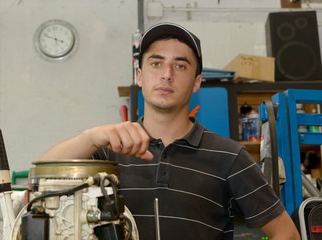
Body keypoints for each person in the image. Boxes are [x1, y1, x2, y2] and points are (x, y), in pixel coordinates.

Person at [40, 22, 300, 239]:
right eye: (156, 63)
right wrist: (91, 137)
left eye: (180, 65)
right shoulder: (108, 149)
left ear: (197, 82)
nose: (167, 74)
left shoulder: (229, 156)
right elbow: (41, 177)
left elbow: (286, 233)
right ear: (139, 76)